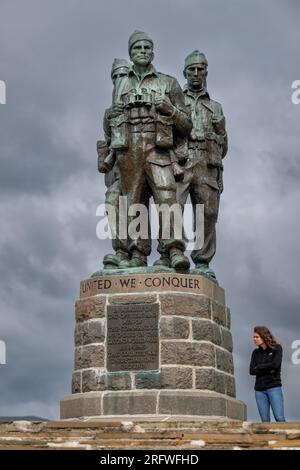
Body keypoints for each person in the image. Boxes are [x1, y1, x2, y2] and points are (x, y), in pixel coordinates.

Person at [107, 30, 192, 270]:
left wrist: (170, 110)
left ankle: (174, 250)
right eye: (137, 48)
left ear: (152, 52)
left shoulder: (168, 82)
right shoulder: (121, 83)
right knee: (133, 202)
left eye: (146, 48)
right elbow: (113, 120)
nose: (142, 52)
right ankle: (137, 253)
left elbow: (187, 125)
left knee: (167, 197)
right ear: (130, 53)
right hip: (129, 148)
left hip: (158, 148)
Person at [155, 50, 228, 281]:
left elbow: (224, 147)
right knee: (171, 206)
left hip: (207, 162)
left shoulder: (215, 107)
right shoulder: (178, 98)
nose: (196, 73)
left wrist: (222, 130)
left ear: (206, 72)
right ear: (184, 72)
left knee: (208, 213)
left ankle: (203, 260)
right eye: (192, 69)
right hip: (181, 160)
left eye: (200, 69)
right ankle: (168, 254)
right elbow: (164, 133)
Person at [250, 325, 286, 422]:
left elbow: (275, 365)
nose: (254, 339)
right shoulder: (255, 353)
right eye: (253, 337)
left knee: (279, 418)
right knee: (265, 421)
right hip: (259, 390)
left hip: (274, 387)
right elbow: (252, 371)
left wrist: (259, 366)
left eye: (256, 337)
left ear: (264, 336)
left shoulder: (277, 348)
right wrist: (268, 367)